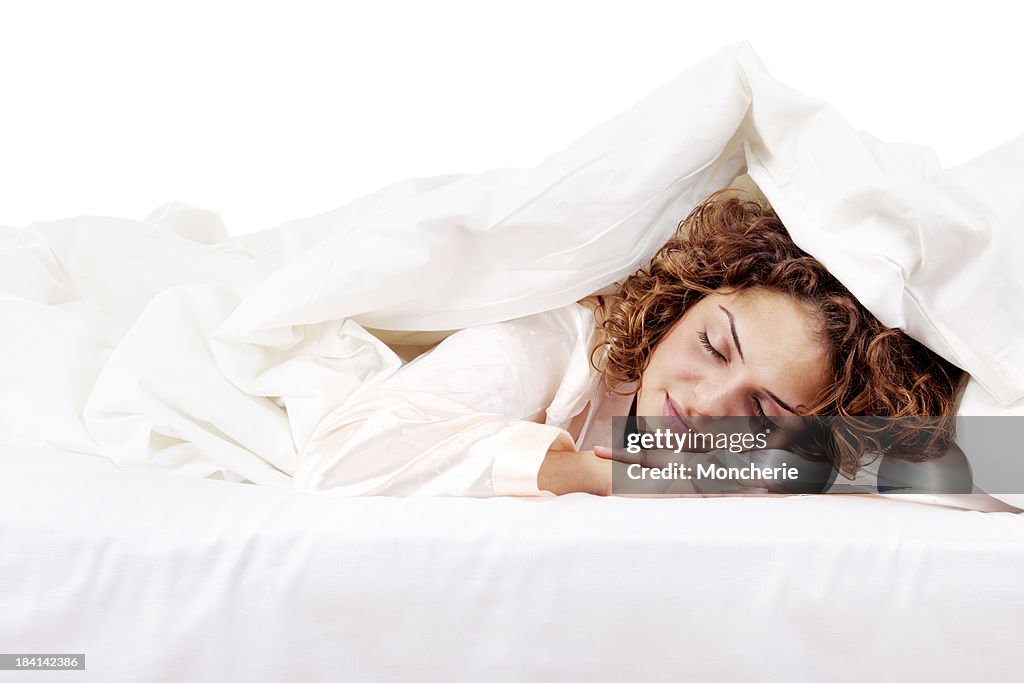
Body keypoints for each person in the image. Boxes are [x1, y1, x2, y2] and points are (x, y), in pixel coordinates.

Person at [292, 189, 965, 499]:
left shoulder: (791, 462)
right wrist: (605, 475)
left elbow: (998, 461)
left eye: (760, 411)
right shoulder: (553, 340)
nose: (703, 403)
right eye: (713, 346)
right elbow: (337, 458)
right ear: (688, 303)